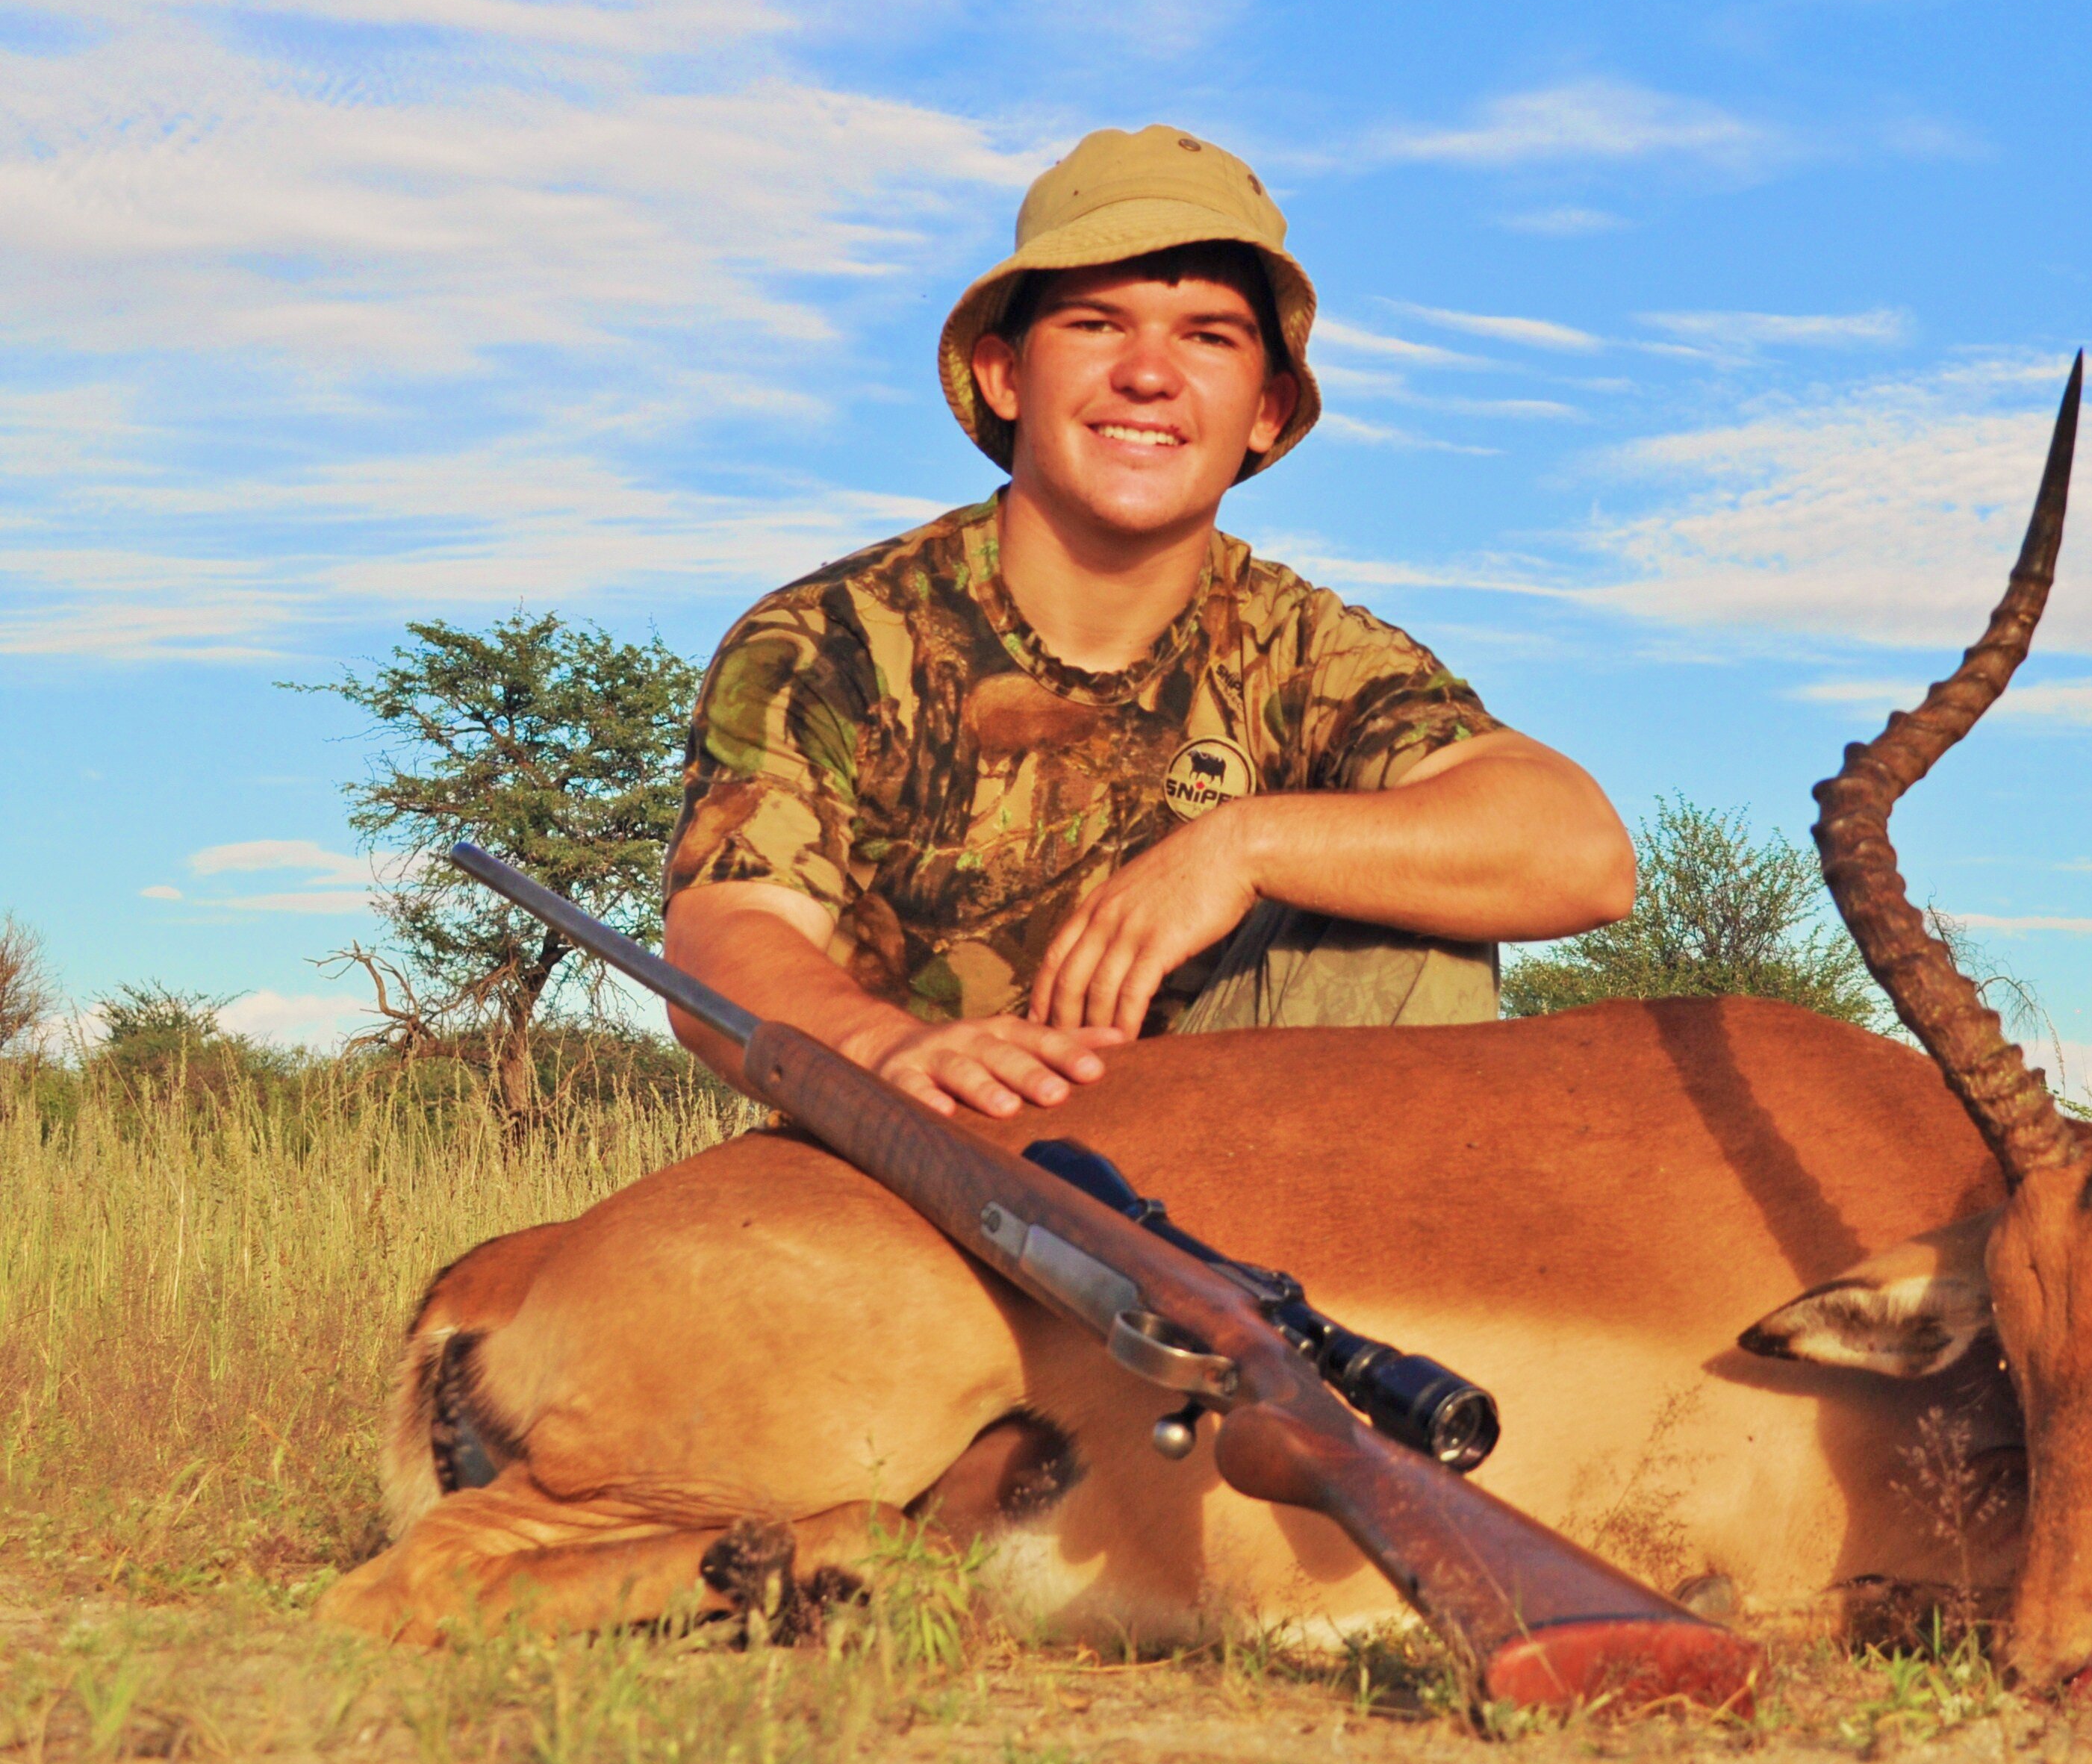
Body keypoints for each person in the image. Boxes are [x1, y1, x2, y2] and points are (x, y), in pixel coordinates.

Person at [657, 125, 1635, 1116]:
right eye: (1095, 325)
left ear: (1267, 407)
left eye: (1207, 337)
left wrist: (1242, 847)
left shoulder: (1303, 649)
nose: (1150, 375)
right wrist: (889, 1045)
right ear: (1004, 375)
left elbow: (1582, 856)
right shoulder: (828, 637)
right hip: (926, 1147)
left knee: (1418, 929)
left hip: (1221, 1164)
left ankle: (1311, 1273)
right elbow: (727, 930)